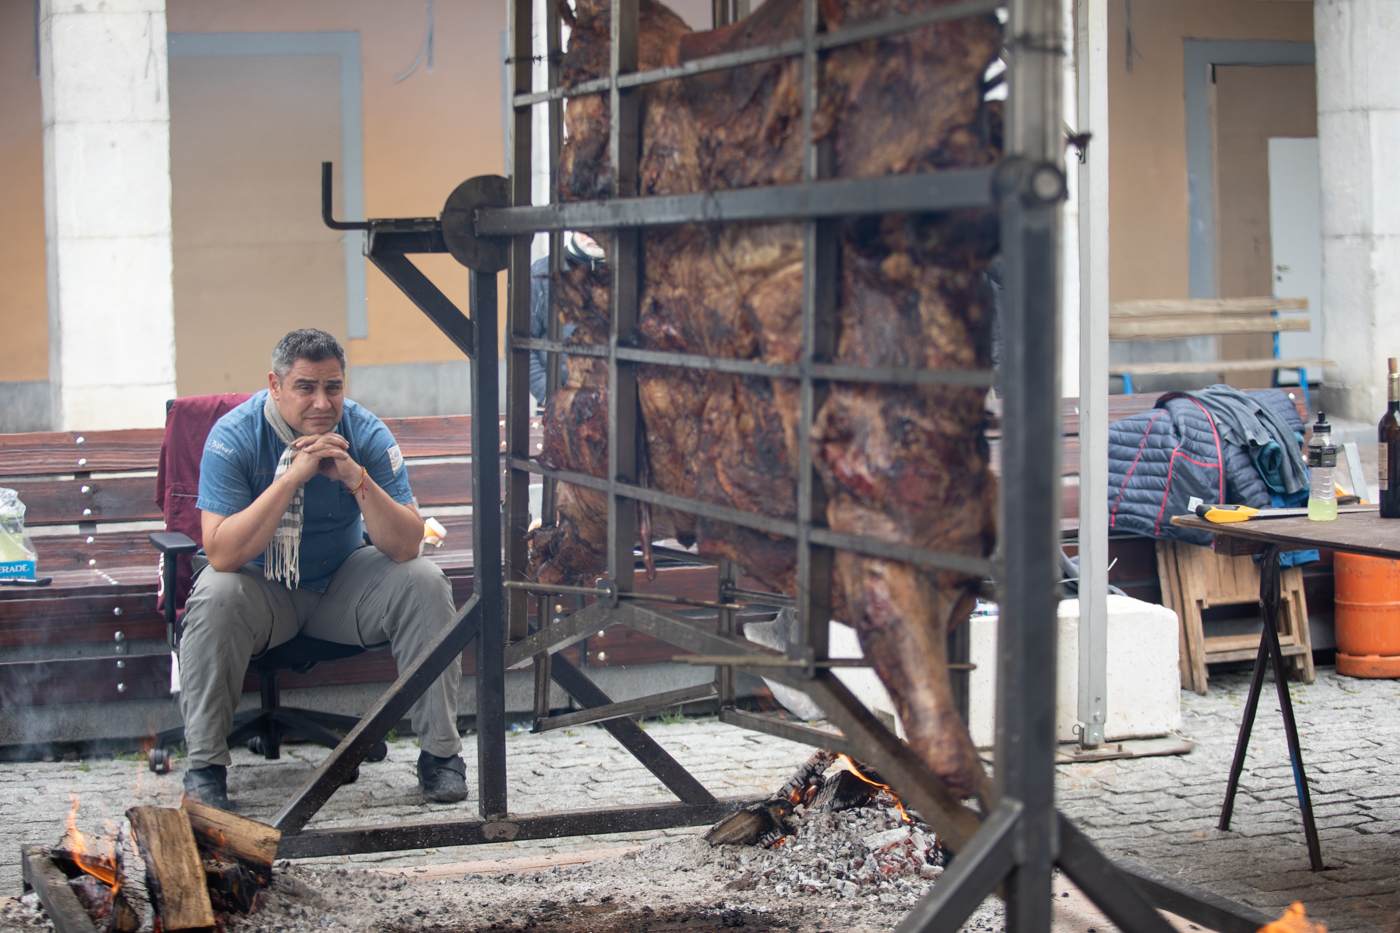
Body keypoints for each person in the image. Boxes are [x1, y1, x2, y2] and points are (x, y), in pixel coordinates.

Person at [180, 329, 465, 810]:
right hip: (263, 587)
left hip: (340, 582)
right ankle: (205, 768)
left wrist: (355, 477)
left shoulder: (364, 432)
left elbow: (407, 545)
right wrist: (292, 479)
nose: (322, 402)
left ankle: (440, 756)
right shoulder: (233, 436)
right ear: (275, 386)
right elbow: (223, 553)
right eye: (305, 387)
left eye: (333, 387)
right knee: (216, 592)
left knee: (425, 582)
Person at [529, 231, 605, 408]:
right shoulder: (542, 272)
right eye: (586, 227)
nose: (594, 234)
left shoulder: (629, 273)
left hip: (617, 404)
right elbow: (520, 341)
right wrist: (549, 395)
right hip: (558, 400)